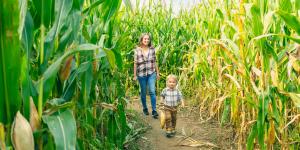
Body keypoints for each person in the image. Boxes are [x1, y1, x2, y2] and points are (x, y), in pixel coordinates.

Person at [133, 33, 160, 119]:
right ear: (141, 40)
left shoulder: (152, 49)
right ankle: (145, 108)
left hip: (151, 73)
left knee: (152, 91)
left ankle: (154, 110)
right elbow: (135, 63)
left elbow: (155, 61)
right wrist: (134, 75)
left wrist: (158, 73)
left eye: (148, 39)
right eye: (145, 39)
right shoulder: (137, 50)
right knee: (143, 93)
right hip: (141, 74)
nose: (147, 40)